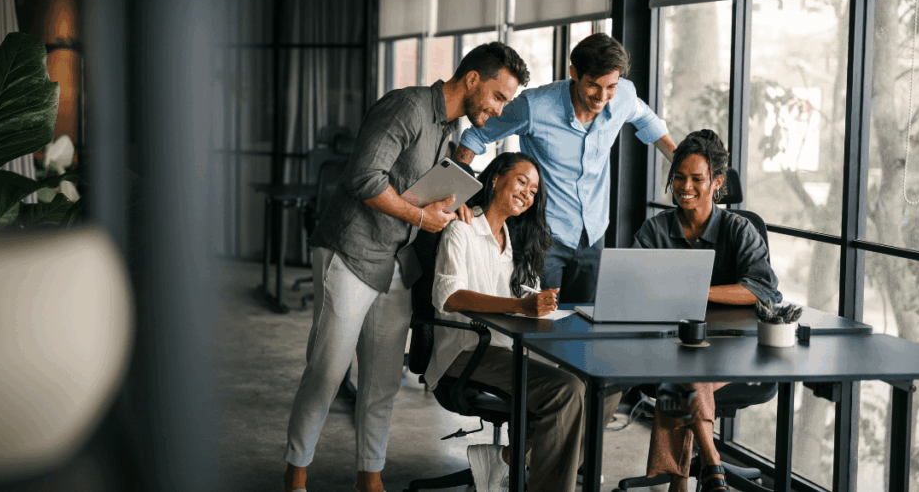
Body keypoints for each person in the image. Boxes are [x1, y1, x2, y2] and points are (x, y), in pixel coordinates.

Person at [282, 42, 530, 492]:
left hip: (397, 262)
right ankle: (296, 474)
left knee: (381, 382)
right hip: (351, 252)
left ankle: (370, 477)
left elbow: (423, 193)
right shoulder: (407, 107)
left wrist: (457, 208)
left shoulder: (447, 129)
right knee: (327, 371)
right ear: (472, 80)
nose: (499, 110)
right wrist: (420, 216)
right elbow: (364, 178)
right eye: (498, 97)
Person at [424, 152, 622, 492]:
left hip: (509, 346)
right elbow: (450, 296)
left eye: (533, 192)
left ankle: (510, 461)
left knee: (604, 379)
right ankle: (542, 479)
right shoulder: (462, 229)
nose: (527, 194)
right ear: (496, 178)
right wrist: (519, 305)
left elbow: (522, 305)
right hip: (467, 350)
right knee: (567, 389)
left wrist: (540, 306)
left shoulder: (514, 243)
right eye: (521, 182)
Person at [452, 33, 677, 303]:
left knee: (583, 324)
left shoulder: (623, 95)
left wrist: (679, 161)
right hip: (543, 235)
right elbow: (475, 137)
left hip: (593, 234)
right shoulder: (534, 107)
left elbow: (646, 120)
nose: (602, 97)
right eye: (593, 85)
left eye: (611, 87)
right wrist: (456, 193)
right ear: (574, 72)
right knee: (540, 323)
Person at [631, 129, 782, 492]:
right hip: (666, 352)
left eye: (697, 179)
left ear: (717, 183)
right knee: (684, 370)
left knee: (681, 380)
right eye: (678, 177)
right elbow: (634, 289)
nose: (685, 186)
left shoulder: (739, 230)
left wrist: (694, 289)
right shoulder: (655, 231)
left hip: (731, 356)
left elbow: (763, 290)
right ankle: (712, 465)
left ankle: (680, 482)